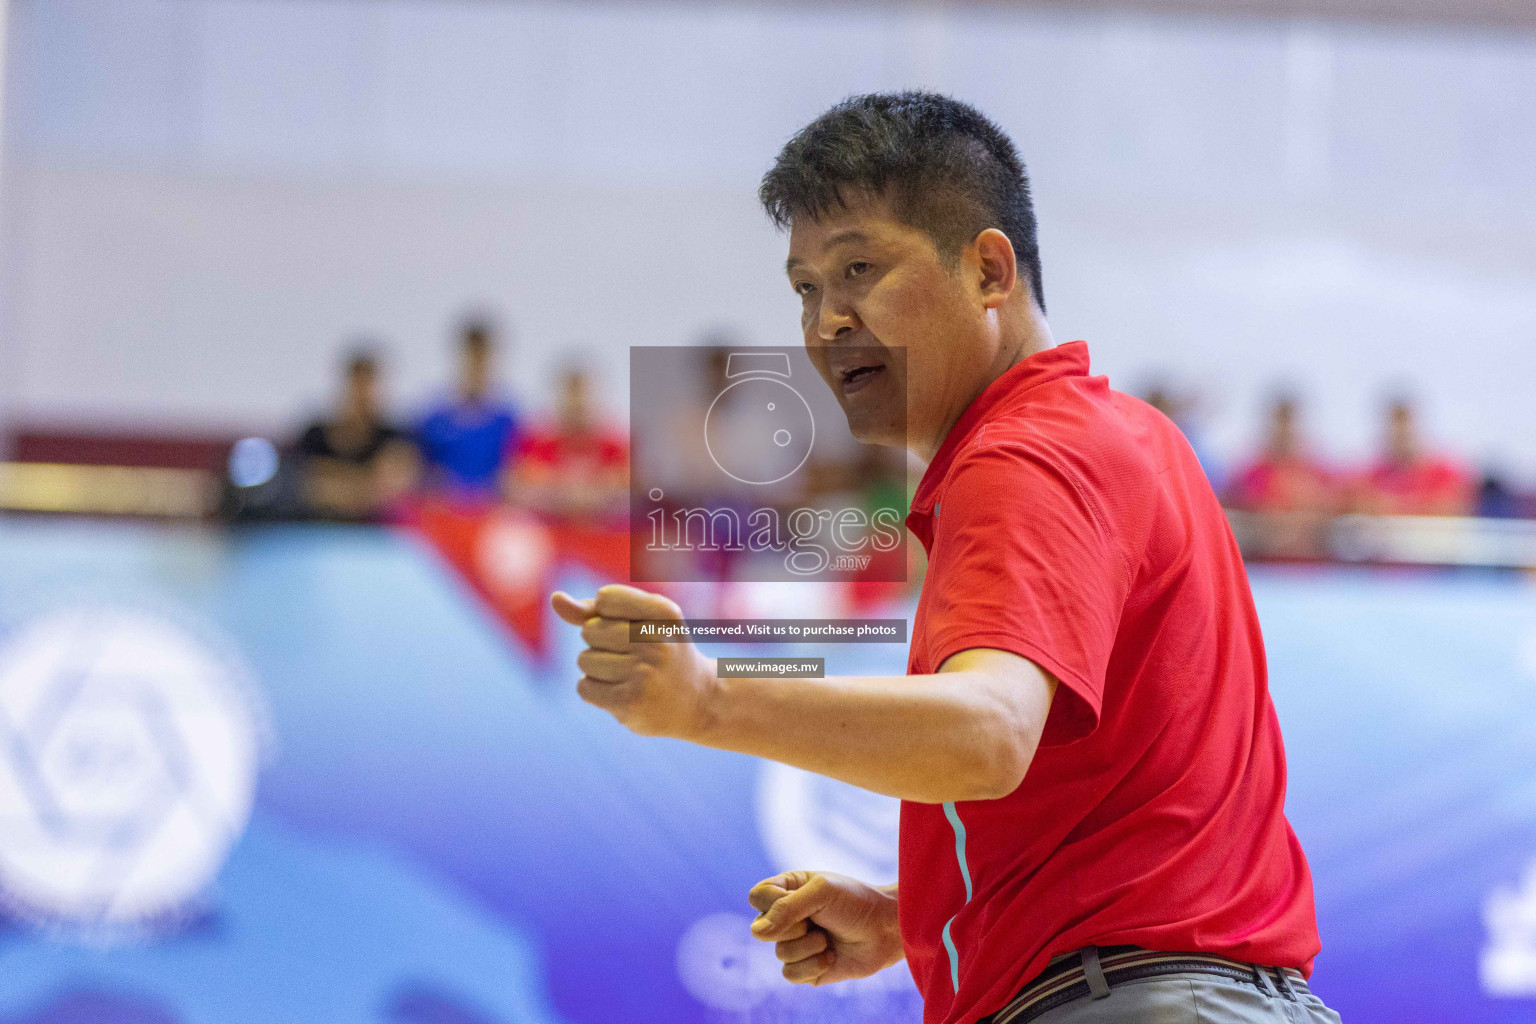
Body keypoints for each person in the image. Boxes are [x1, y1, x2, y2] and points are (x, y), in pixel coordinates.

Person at [551, 93, 1339, 1024]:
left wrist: (705, 699)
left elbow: (987, 734)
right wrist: (918, 918)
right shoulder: (1122, 433)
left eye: (860, 268)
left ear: (990, 270)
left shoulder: (1024, 455)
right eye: (804, 287)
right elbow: (1121, 802)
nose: (826, 322)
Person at [295, 347, 418, 520]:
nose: (362, 395)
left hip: (376, 532)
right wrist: (367, 480)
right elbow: (310, 487)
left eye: (368, 386)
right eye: (357, 385)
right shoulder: (316, 436)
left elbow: (394, 489)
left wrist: (335, 477)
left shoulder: (395, 438)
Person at [416, 317, 521, 498]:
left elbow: (514, 476)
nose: (476, 366)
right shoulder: (434, 421)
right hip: (444, 514)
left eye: (482, 358)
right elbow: (423, 476)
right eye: (471, 357)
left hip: (492, 515)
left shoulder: (509, 421)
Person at [507, 364, 627, 520]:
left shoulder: (614, 447)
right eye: (571, 395)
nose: (576, 403)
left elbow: (630, 489)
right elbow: (514, 486)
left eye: (582, 395)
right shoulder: (537, 444)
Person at [1226, 393, 1338, 558]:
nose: (1285, 431)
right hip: (1263, 567)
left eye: (1289, 423)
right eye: (1280, 423)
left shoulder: (1318, 474)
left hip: (1311, 570)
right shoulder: (1250, 474)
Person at [1353, 396, 1473, 516]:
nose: (1400, 435)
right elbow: (1363, 508)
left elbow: (1450, 512)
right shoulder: (1374, 477)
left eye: (1405, 429)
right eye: (1395, 430)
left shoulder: (1444, 474)